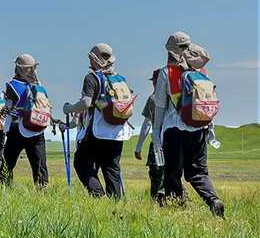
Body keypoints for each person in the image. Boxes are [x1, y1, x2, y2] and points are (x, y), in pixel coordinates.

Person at [151, 32, 225, 218]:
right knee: (198, 173)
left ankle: (177, 212)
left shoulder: (166, 73)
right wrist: (210, 129)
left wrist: (156, 133)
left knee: (173, 173)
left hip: (174, 131)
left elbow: (159, 106)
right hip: (200, 128)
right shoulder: (202, 73)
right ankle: (213, 200)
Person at [63, 44, 133, 198]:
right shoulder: (120, 79)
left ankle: (97, 195)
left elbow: (86, 103)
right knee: (112, 169)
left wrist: (69, 109)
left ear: (94, 59)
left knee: (81, 163)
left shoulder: (92, 78)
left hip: (98, 131)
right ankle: (116, 205)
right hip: (118, 132)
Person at [2, 54, 51, 189]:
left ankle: (4, 189)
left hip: (17, 129)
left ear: (18, 68)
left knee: (8, 163)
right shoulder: (39, 86)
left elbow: (8, 106)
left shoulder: (12, 86)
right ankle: (42, 191)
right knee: (40, 165)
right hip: (37, 128)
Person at [135, 70, 165, 202]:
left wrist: (139, 146)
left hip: (158, 143)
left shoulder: (153, 99)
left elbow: (147, 123)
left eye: (154, 81)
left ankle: (157, 201)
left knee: (156, 173)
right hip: (174, 141)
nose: (153, 83)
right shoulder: (174, 97)